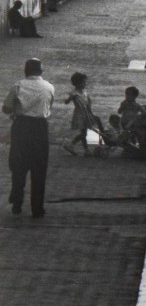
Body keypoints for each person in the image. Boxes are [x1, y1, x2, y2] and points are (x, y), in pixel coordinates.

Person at [2, 58, 54, 217]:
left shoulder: (18, 86)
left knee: (18, 165)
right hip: (40, 127)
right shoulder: (49, 87)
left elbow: (6, 108)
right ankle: (37, 208)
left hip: (21, 127)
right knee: (39, 168)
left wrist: (15, 110)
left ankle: (17, 202)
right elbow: (49, 106)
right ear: (41, 71)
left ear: (25, 71)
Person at [63, 72, 102, 155]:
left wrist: (90, 110)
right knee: (83, 132)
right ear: (77, 83)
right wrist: (68, 100)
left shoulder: (84, 91)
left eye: (85, 82)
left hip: (86, 113)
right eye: (83, 82)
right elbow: (67, 101)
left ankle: (72, 145)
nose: (85, 84)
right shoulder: (74, 93)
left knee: (84, 133)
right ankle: (85, 149)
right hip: (80, 115)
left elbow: (88, 101)